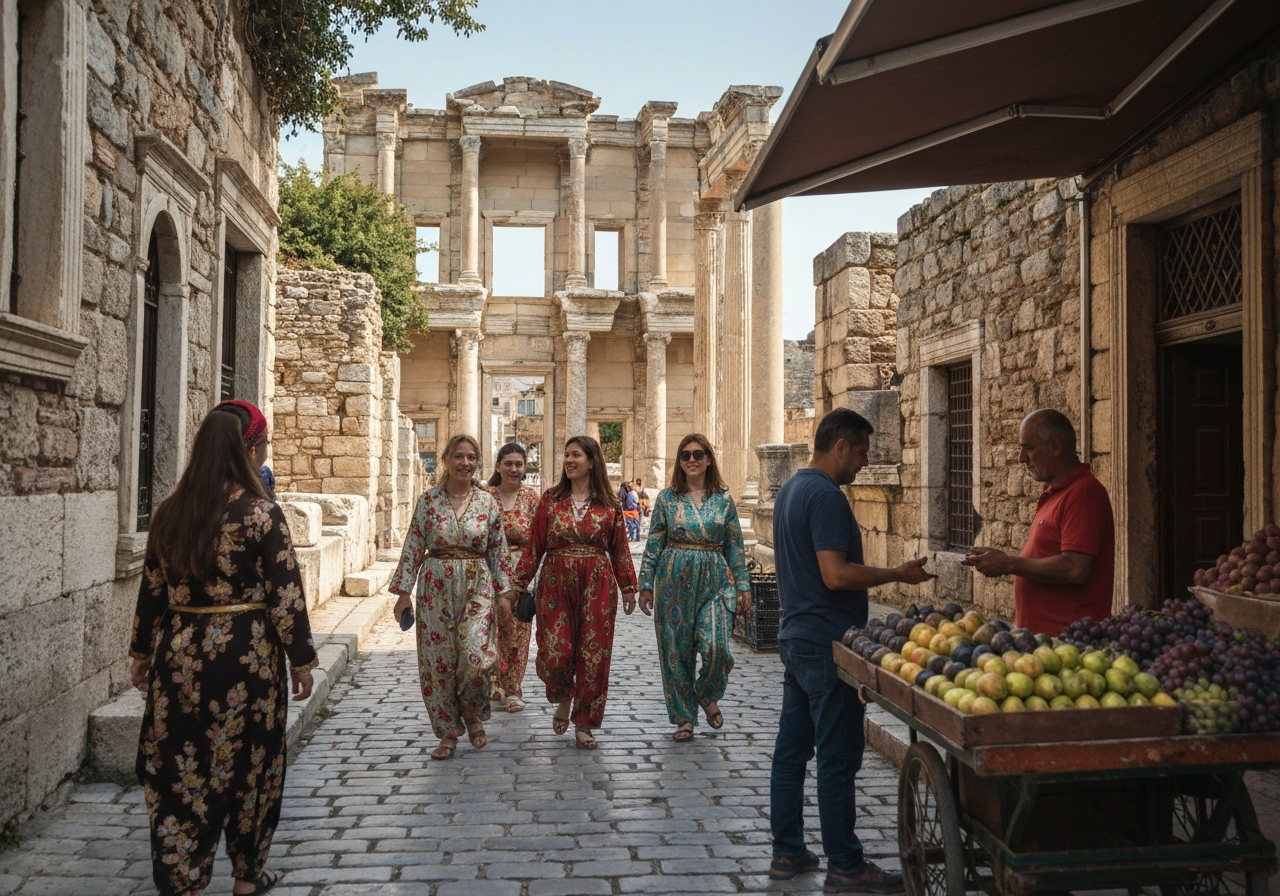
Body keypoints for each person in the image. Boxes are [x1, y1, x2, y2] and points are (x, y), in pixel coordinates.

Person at [130, 400, 317, 896]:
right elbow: (285, 593)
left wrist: (142, 653)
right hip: (247, 659)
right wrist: (301, 660)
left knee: (180, 766)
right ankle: (246, 876)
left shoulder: (169, 513)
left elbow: (152, 591)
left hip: (181, 657)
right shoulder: (261, 514)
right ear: (249, 450)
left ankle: (184, 880)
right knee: (253, 764)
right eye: (265, 444)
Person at [769, 408, 933, 893]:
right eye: (860, 452)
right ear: (839, 446)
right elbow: (835, 574)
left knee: (791, 752)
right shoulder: (825, 496)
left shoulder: (791, 490)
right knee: (837, 757)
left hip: (796, 636)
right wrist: (896, 574)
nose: (863, 463)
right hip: (826, 642)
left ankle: (787, 852)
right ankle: (845, 864)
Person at [391, 434, 515, 760]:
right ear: (447, 460)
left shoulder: (487, 502)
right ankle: (447, 732)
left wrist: (506, 592)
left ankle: (472, 714)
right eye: (459, 456)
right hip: (435, 588)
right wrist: (403, 593)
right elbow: (413, 545)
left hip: (478, 587)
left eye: (471, 457)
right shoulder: (428, 501)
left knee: (476, 659)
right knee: (439, 662)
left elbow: (498, 550)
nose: (465, 463)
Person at [514, 436, 639, 750]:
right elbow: (534, 544)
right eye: (567, 455)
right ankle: (565, 694)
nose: (569, 460)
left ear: (592, 461)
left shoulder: (609, 504)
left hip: (598, 585)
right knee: (555, 652)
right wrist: (518, 584)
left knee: (594, 655)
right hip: (555, 583)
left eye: (576, 455)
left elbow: (620, 549)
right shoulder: (551, 499)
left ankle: (584, 722)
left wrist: (628, 587)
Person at [638, 434, 752, 742]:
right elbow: (654, 542)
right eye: (685, 455)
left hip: (715, 579)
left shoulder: (723, 499)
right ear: (679, 461)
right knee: (676, 652)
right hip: (673, 580)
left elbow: (735, 545)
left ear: (709, 459)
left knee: (717, 648)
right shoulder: (667, 498)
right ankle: (684, 718)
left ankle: (705, 692)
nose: (691, 459)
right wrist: (645, 584)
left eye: (698, 454)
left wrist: (743, 585)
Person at [962, 408, 1115, 636]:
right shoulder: (1056, 492)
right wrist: (1002, 559)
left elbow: (1076, 568)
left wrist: (1009, 564)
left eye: (1029, 448)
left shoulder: (1083, 493)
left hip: (1069, 641)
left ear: (1055, 446)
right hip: (1043, 641)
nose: (1021, 458)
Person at [483, 442, 541, 713]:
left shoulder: (532, 498)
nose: (514, 469)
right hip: (487, 574)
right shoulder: (484, 497)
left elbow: (539, 541)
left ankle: (513, 688)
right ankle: (495, 682)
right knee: (490, 631)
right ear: (498, 466)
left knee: (517, 632)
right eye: (508, 463)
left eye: (519, 464)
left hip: (521, 575)